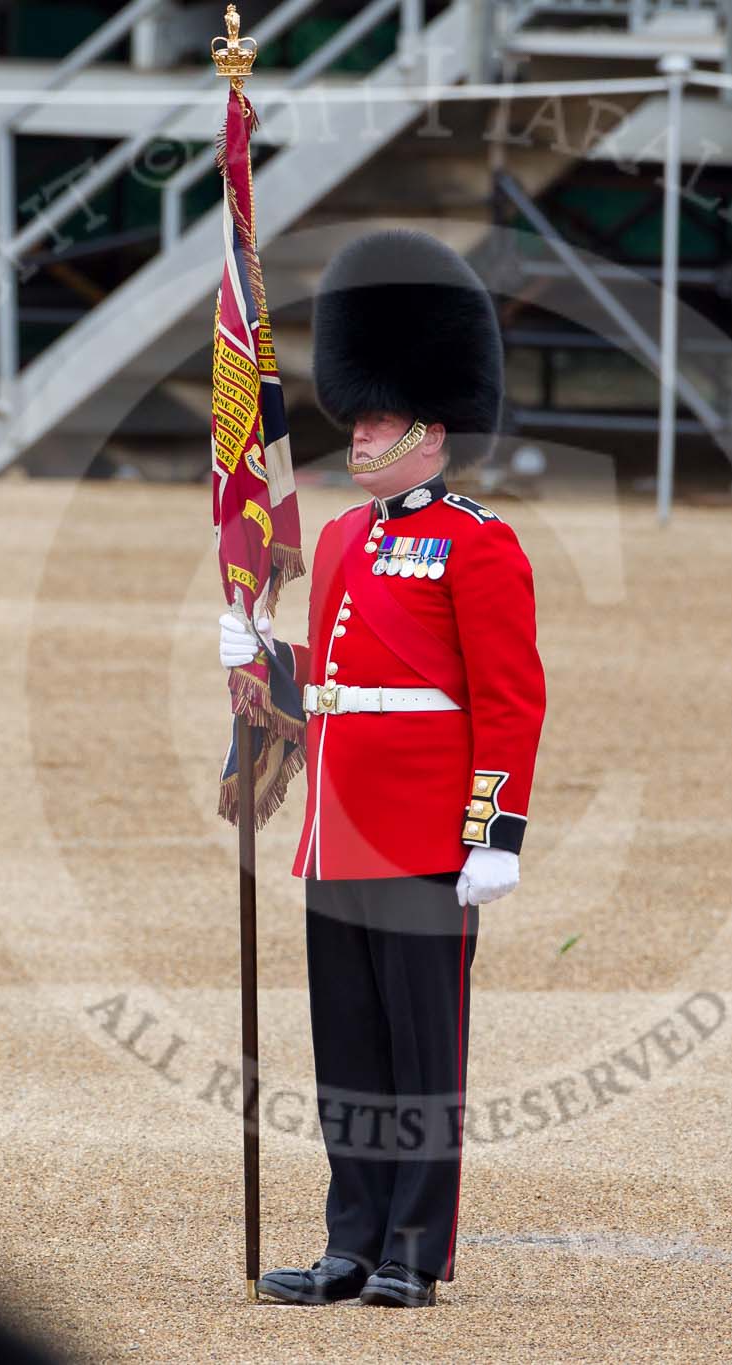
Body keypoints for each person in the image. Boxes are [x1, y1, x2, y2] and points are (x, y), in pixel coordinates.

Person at [217, 230, 545, 1308]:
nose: (357, 428)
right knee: (349, 1056)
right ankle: (349, 1241)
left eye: (376, 416)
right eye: (355, 414)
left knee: (420, 1055)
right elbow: (339, 681)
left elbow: (507, 701)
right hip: (340, 829)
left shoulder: (478, 541)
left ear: (430, 427)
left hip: (420, 833)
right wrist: (253, 652)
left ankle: (412, 1248)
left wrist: (491, 835)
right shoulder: (349, 539)